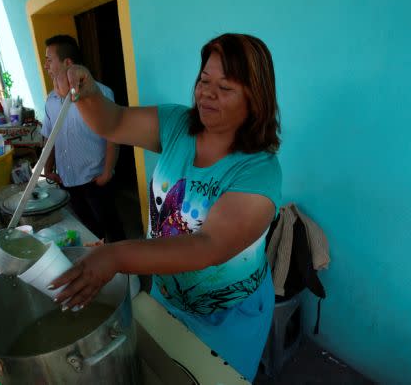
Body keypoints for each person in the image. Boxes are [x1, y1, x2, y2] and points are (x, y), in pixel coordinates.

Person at [49, 33, 282, 381]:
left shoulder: (259, 171)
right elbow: (111, 122)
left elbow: (208, 246)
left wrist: (114, 257)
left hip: (225, 317)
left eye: (226, 87)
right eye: (204, 80)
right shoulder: (177, 125)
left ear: (255, 96)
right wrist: (88, 93)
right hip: (167, 296)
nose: (207, 93)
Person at [41, 35, 125, 242]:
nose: (46, 65)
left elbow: (113, 134)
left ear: (68, 63)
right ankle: (99, 263)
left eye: (50, 60)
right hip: (67, 179)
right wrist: (48, 168)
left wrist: (107, 172)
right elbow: (50, 136)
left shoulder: (101, 93)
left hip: (94, 178)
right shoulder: (51, 99)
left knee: (111, 227)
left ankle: (126, 270)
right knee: (87, 229)